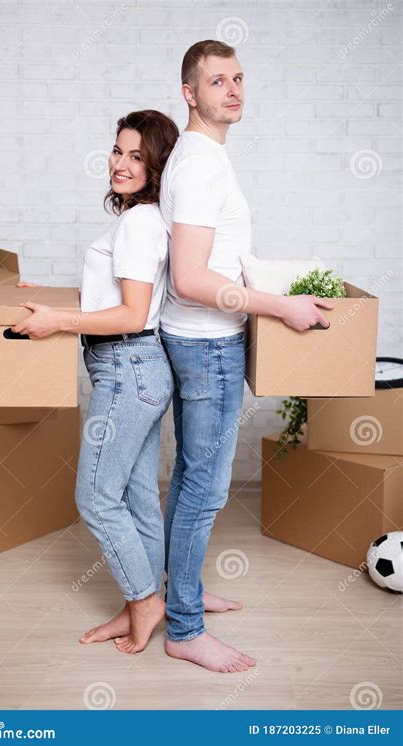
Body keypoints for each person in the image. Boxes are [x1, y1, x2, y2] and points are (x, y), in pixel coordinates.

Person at [159, 40, 334, 673]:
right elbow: (188, 277)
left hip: (200, 341)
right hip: (206, 345)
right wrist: (277, 305)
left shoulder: (201, 158)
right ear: (189, 93)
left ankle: (186, 595)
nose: (232, 90)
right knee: (205, 489)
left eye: (238, 79)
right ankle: (184, 628)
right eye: (216, 81)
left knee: (190, 481)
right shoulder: (201, 165)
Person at [15, 110, 179, 654]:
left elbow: (132, 314)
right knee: (135, 500)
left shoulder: (136, 223)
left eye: (137, 155)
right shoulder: (148, 219)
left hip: (126, 368)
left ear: (157, 165)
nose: (121, 163)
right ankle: (146, 600)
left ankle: (143, 602)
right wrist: (59, 295)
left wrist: (59, 321)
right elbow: (119, 300)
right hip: (143, 370)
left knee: (94, 496)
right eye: (117, 150)